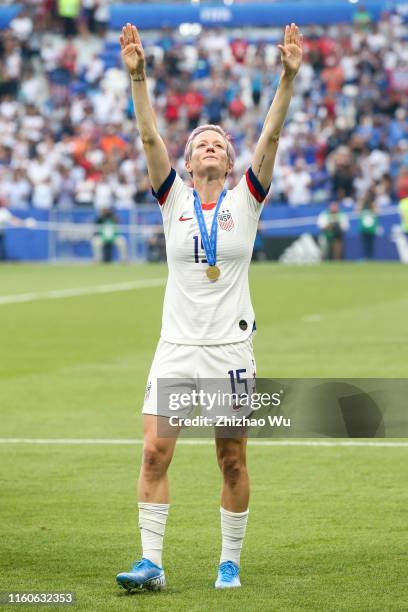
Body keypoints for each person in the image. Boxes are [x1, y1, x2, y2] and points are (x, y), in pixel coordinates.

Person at [116, 22, 302, 591]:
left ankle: (230, 561)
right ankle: (151, 563)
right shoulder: (171, 196)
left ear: (228, 157)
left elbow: (268, 137)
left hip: (229, 349)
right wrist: (139, 78)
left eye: (220, 140)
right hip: (176, 346)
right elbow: (149, 139)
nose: (212, 144)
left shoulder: (247, 198)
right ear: (190, 160)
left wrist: (287, 80)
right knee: (153, 453)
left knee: (232, 460)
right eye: (202, 142)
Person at [358, 189, 378, 260]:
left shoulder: (373, 204)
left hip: (371, 228)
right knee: (364, 244)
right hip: (364, 228)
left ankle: (371, 258)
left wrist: (371, 204)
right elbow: (358, 211)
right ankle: (364, 257)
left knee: (371, 244)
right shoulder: (362, 204)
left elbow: (376, 212)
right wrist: (363, 201)